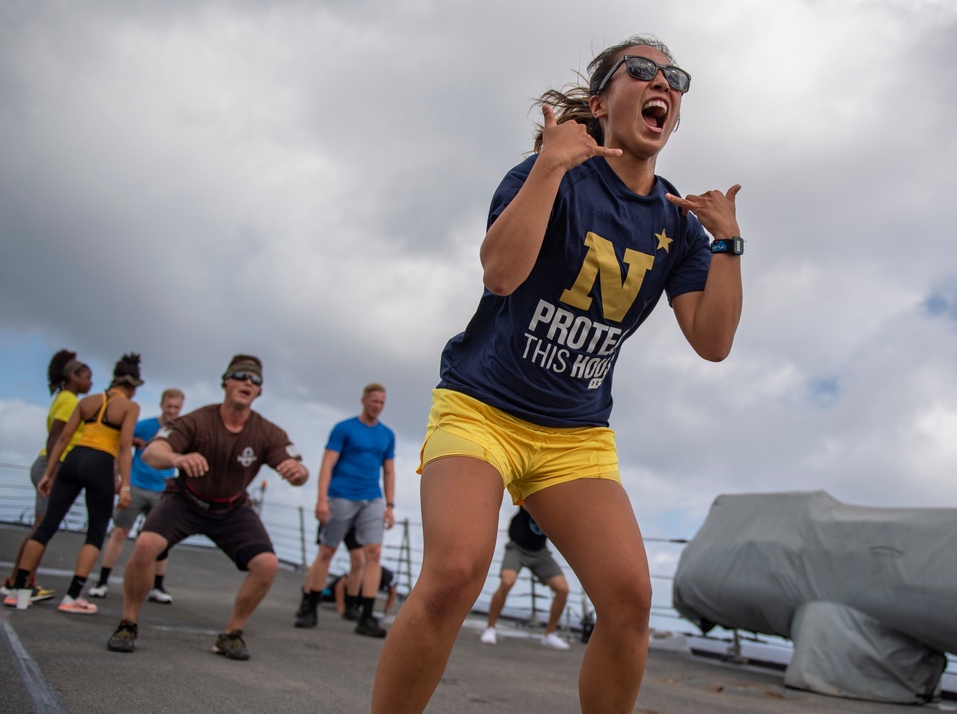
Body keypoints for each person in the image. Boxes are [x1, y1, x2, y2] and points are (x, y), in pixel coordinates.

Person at [371, 35, 743, 714]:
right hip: (481, 408)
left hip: (574, 436)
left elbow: (713, 343)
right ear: (600, 103)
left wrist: (729, 244)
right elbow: (501, 274)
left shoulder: (678, 226)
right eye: (642, 70)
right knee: (455, 574)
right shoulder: (552, 173)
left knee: (630, 601)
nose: (662, 81)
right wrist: (547, 167)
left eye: (674, 77)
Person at [106, 355, 309, 660]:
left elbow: (298, 468)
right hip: (186, 500)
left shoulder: (267, 432)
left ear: (259, 392)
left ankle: (231, 634)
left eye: (255, 380)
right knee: (146, 544)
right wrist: (177, 459)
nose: (248, 383)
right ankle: (128, 623)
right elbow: (152, 452)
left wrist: (298, 474)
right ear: (225, 382)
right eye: (241, 376)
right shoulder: (197, 420)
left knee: (267, 564)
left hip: (232, 508)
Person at [7, 354, 142, 615]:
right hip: (100, 463)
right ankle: (72, 596)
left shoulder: (87, 402)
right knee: (95, 532)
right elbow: (124, 447)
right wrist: (125, 485)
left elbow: (61, 438)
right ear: (133, 387)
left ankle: (18, 590)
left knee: (47, 525)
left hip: (73, 459)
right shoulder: (129, 407)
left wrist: (48, 473)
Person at [295, 383, 395, 638]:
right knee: (327, 550)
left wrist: (390, 505)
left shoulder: (387, 435)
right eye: (374, 401)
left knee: (372, 553)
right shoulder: (344, 428)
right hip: (341, 496)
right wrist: (321, 499)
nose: (378, 406)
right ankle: (309, 607)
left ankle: (366, 616)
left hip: (372, 498)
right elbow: (327, 464)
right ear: (363, 400)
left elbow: (389, 470)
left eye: (382, 402)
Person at [0, 349, 93, 604]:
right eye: (87, 377)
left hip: (49, 465)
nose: (91, 382)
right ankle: (20, 582)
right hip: (49, 466)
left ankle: (17, 581)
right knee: (41, 529)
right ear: (74, 377)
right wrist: (51, 472)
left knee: (40, 528)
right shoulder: (70, 401)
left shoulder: (65, 397)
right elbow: (56, 436)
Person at [88, 388, 185, 602]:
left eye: (176, 407)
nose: (172, 410)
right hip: (136, 485)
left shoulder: (182, 431)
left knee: (161, 541)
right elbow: (121, 447)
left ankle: (158, 587)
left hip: (163, 491)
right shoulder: (143, 426)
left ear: (181, 408)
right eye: (169, 406)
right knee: (120, 532)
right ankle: (102, 582)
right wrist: (116, 477)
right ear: (161, 405)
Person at [480, 507, 571, 650]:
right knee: (506, 582)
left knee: (563, 589)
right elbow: (526, 504)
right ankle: (490, 628)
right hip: (517, 548)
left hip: (540, 552)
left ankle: (549, 634)